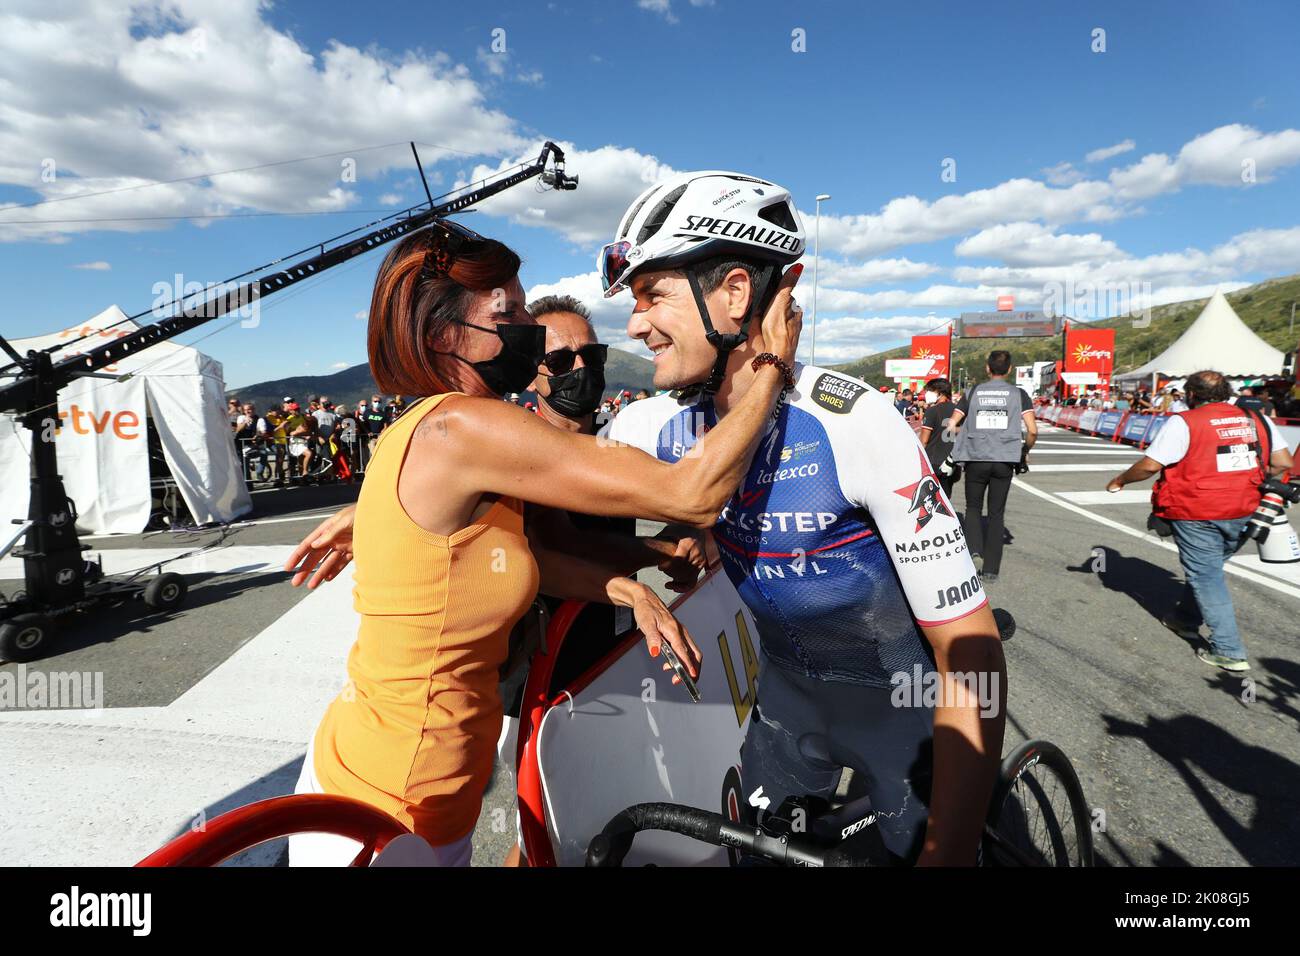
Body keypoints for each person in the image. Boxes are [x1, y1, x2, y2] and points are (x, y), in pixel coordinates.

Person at [282, 216, 802, 867]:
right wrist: (772, 368)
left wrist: (624, 590)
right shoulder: (466, 427)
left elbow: (516, 562)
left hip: (417, 785)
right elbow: (690, 492)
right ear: (446, 334)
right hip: (389, 808)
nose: (528, 324)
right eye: (513, 309)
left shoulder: (432, 427)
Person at [598, 170, 1004, 866]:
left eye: (652, 295)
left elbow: (972, 647)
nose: (634, 325)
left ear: (733, 292)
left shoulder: (851, 421)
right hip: (786, 711)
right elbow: (535, 481)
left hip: (904, 717)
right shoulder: (654, 422)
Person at [1105, 370, 1293, 671]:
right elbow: (1282, 463)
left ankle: (1229, 650)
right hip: (1247, 509)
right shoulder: (1256, 419)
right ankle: (1185, 619)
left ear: (1191, 395)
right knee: (1208, 570)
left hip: (1197, 510)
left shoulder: (1185, 422)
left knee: (1206, 576)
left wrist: (1120, 480)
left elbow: (1150, 465)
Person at [947, 350, 1037, 584]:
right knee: (996, 514)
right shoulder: (1019, 394)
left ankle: (973, 552)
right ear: (1009, 369)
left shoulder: (972, 392)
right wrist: (1025, 450)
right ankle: (991, 570)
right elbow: (1033, 430)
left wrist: (966, 433)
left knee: (973, 508)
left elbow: (952, 424)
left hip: (976, 457)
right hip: (1005, 459)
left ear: (987, 368)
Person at [918, 377, 958, 500]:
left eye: (930, 391)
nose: (927, 394)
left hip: (933, 461)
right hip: (952, 460)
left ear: (939, 393)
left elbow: (923, 440)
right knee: (946, 498)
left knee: (931, 500)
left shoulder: (932, 411)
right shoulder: (957, 411)